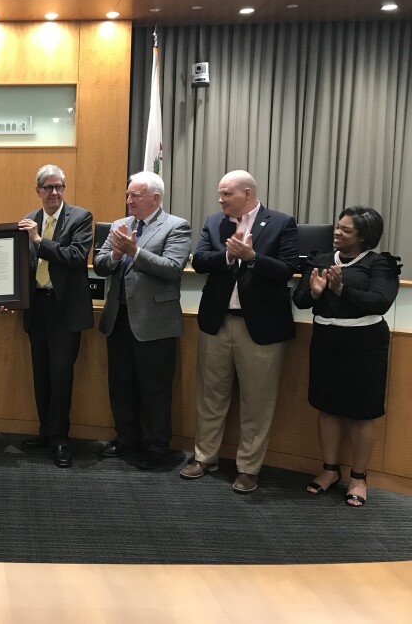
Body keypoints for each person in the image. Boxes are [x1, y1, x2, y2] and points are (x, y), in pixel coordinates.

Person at [181, 170, 298, 493]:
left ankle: (249, 467)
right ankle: (205, 457)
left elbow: (289, 269)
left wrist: (253, 258)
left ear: (247, 193)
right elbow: (201, 261)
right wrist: (230, 255)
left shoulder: (280, 223)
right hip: (217, 322)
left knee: (257, 402)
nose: (220, 200)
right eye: (220, 194)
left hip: (260, 327)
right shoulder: (214, 222)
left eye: (226, 194)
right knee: (210, 397)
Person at [293, 206, 401, 507]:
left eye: (345, 230)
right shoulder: (322, 259)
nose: (337, 233)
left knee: (361, 413)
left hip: (364, 345)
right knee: (326, 408)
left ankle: (358, 476)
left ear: (364, 236)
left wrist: (341, 290)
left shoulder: (379, 264)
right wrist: (315, 293)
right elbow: (300, 299)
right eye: (337, 227)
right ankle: (329, 470)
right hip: (326, 341)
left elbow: (380, 302)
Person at [93, 171, 191, 469]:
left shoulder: (177, 226)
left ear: (155, 198)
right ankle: (126, 439)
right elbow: (99, 263)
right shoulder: (120, 226)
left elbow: (172, 268)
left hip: (155, 322)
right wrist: (114, 256)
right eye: (128, 195)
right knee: (121, 384)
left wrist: (133, 251)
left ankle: (157, 446)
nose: (128, 200)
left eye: (135, 195)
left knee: (155, 388)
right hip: (118, 318)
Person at [18, 165, 94, 468]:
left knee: (61, 375)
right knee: (41, 374)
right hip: (37, 308)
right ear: (37, 190)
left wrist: (39, 241)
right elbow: (18, 263)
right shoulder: (29, 220)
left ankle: (61, 439)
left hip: (65, 311)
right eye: (48, 187)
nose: (54, 192)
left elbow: (75, 257)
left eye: (59, 187)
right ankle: (45, 431)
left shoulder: (80, 218)